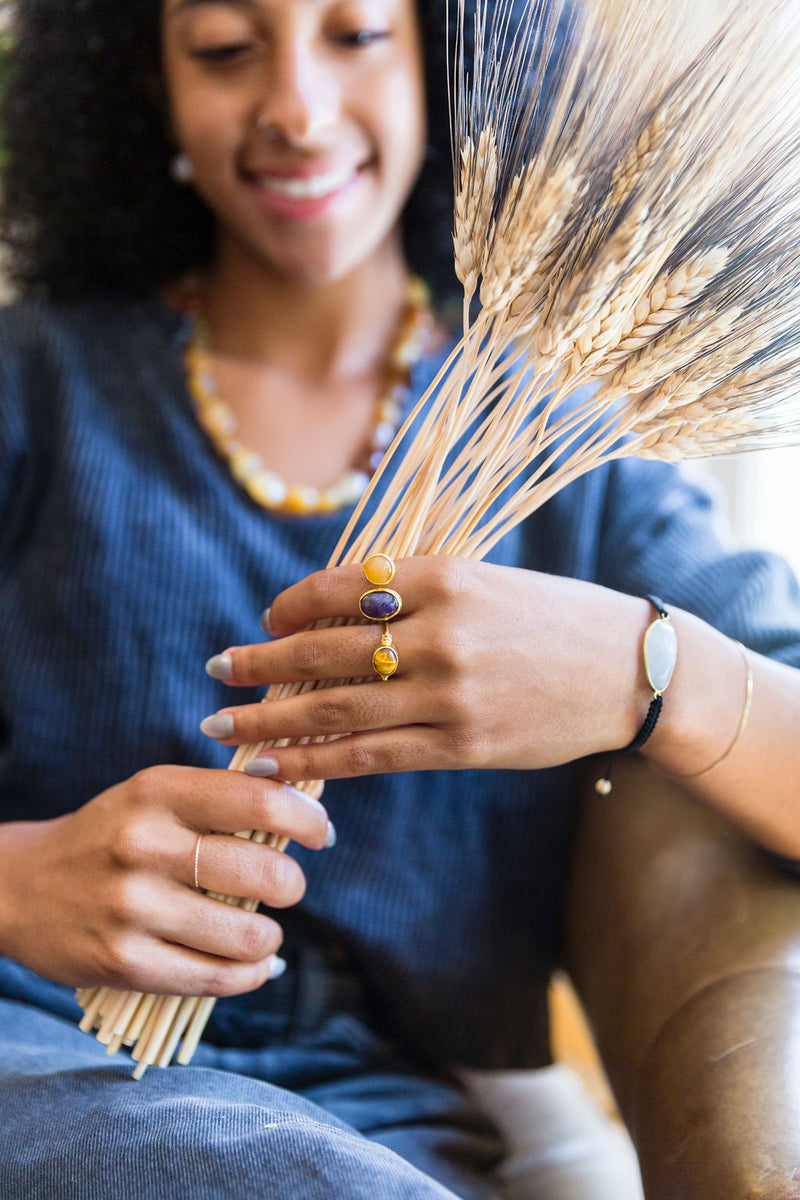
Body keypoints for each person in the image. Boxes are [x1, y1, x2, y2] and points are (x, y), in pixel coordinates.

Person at [0, 0, 799, 1197]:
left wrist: (644, 671)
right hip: (31, 1048)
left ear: (447, 63)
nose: (297, 110)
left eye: (357, 36)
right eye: (224, 46)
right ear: (136, 83)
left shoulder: (568, 456)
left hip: (393, 1128)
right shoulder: (31, 389)